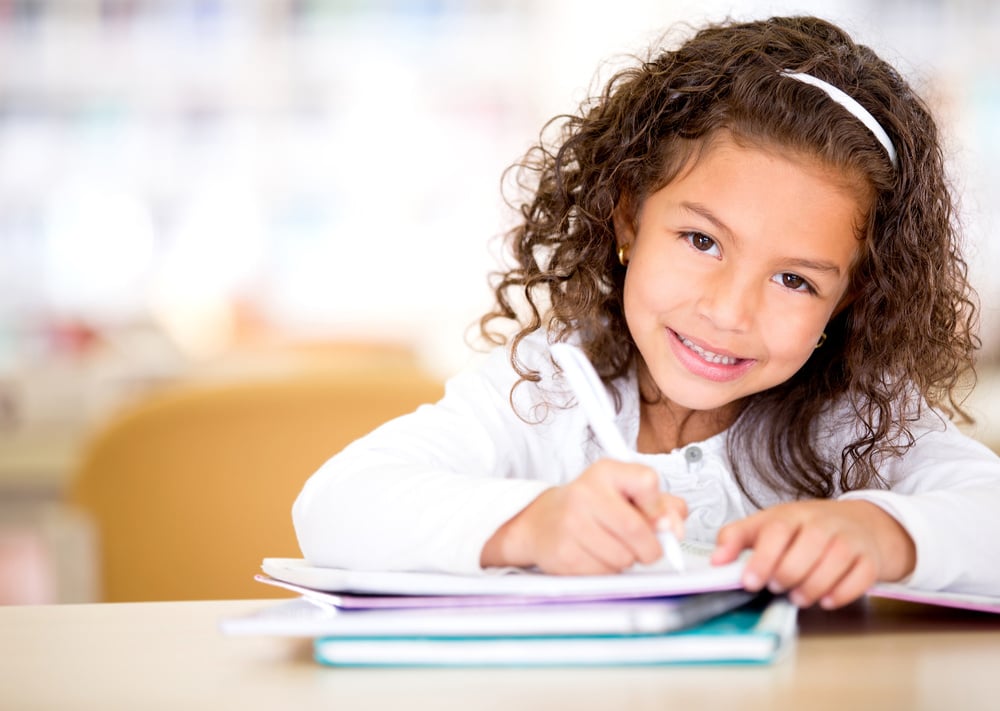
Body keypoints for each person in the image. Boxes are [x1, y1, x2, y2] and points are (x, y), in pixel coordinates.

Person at [293, 16, 1000, 608]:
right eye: (701, 240)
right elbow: (334, 506)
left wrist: (886, 534)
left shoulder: (856, 422)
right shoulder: (546, 390)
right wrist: (532, 525)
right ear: (627, 216)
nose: (728, 309)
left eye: (793, 279)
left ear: (849, 300)